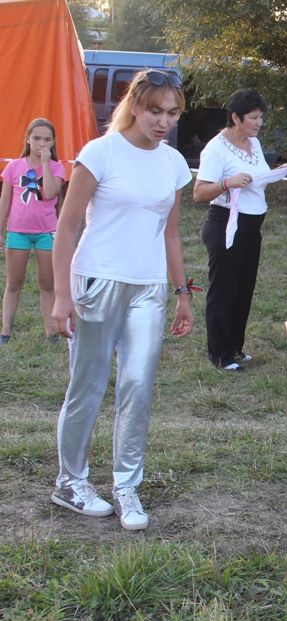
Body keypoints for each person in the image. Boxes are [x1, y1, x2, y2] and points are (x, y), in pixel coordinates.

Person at [49, 69, 194, 530]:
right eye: (155, 110)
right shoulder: (100, 152)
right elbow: (67, 228)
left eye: (172, 113)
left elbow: (170, 232)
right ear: (135, 104)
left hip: (148, 288)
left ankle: (126, 486)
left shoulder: (172, 163)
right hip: (96, 282)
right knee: (87, 387)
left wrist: (181, 293)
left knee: (138, 387)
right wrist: (62, 298)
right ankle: (70, 482)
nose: (163, 121)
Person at [193, 88, 287, 371]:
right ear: (236, 118)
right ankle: (220, 354)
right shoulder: (215, 149)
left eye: (261, 118)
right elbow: (200, 192)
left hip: (253, 226)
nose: (259, 123)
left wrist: (283, 169)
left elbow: (258, 177)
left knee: (243, 289)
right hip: (226, 223)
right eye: (253, 118)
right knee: (224, 290)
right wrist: (228, 183)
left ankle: (235, 348)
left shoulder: (254, 143)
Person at [0, 118, 65, 343]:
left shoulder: (57, 168)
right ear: (28, 138)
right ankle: (5, 331)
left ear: (53, 141)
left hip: (46, 233)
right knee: (14, 283)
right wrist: (1, 230)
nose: (41, 143)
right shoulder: (13, 167)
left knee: (47, 284)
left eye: (47, 139)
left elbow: (48, 193)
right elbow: (5, 200)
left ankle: (51, 332)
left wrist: (46, 164)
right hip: (18, 232)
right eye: (36, 138)